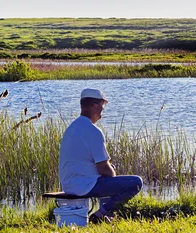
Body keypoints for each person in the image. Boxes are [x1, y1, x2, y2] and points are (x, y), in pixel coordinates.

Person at [58, 88, 143, 222]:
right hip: (85, 186)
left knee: (110, 169)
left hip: (69, 184)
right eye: (102, 107)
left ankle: (105, 214)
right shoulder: (93, 131)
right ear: (94, 106)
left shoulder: (71, 128)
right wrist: (113, 179)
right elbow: (104, 168)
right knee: (136, 182)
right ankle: (102, 213)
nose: (102, 113)